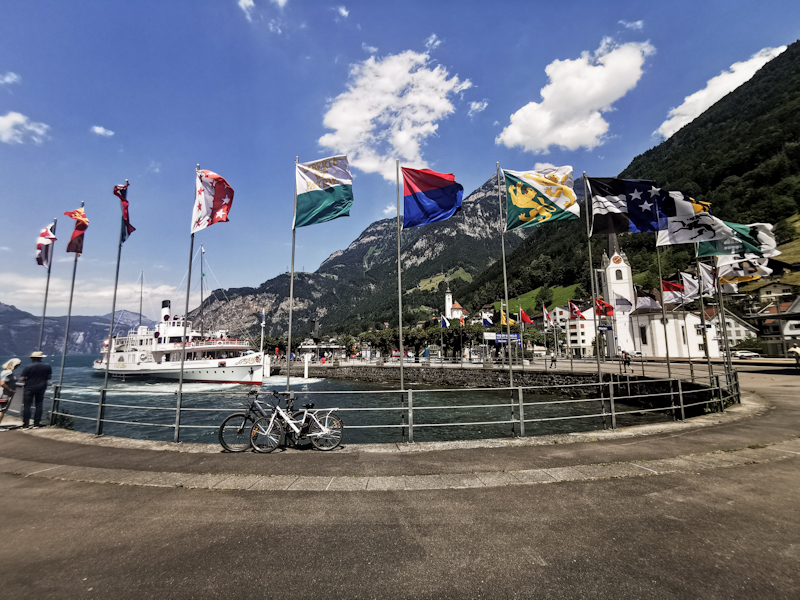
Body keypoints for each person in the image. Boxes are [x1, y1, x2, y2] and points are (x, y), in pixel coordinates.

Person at [18, 351, 52, 429]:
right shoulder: (47, 366)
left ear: (32, 358)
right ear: (41, 358)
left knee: (27, 406)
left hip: (29, 388)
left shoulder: (28, 367)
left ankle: (26, 424)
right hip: (41, 388)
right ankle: (37, 423)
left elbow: (22, 378)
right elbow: (49, 377)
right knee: (39, 405)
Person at [1, 358, 21, 428]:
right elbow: (2, 383)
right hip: (4, 394)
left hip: (2, 393)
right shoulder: (9, 373)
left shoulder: (4, 371)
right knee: (2, 409)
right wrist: (10, 390)